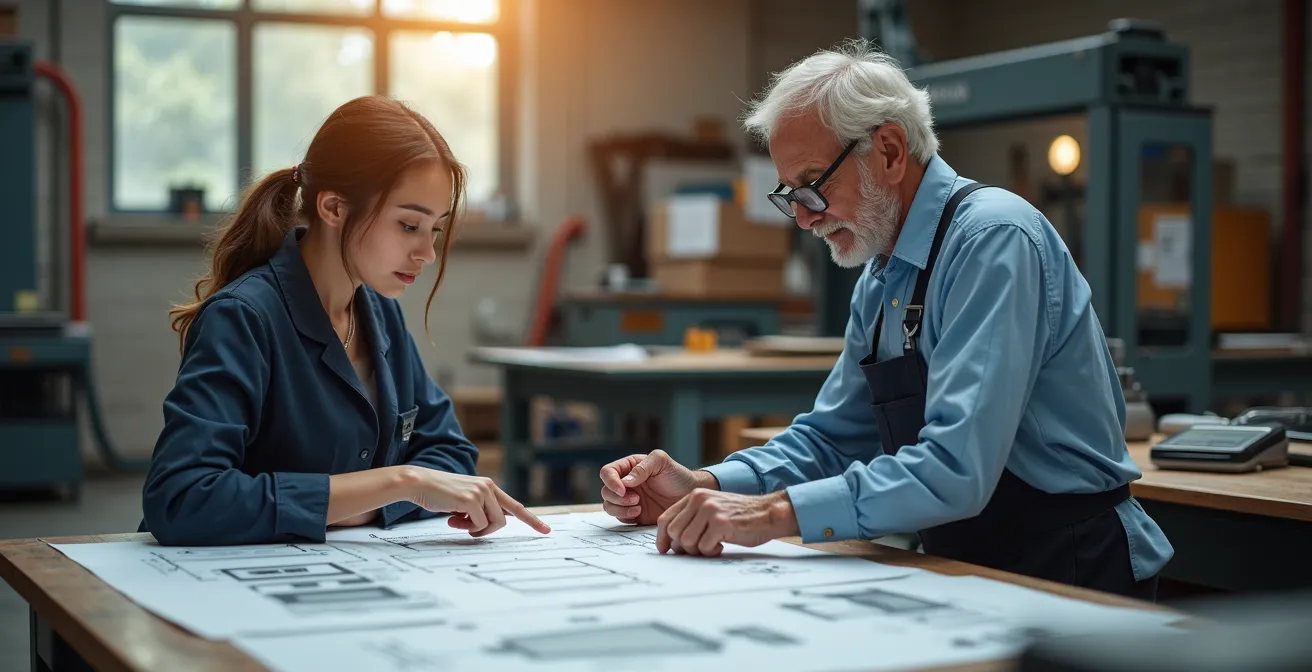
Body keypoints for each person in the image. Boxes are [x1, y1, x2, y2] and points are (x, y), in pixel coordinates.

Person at [599, 41, 1171, 600]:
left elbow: (956, 469)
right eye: (788, 194)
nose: (802, 218)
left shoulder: (992, 242)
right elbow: (833, 439)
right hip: (968, 560)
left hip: (1067, 564)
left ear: (891, 152)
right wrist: (709, 483)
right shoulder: (883, 274)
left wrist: (770, 514)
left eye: (813, 187)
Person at [141, 95, 549, 546]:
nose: (427, 253)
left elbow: (450, 454)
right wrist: (399, 484)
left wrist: (367, 502)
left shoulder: (380, 315)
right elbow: (182, 497)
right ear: (333, 208)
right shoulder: (243, 318)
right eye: (409, 225)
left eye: (434, 229)